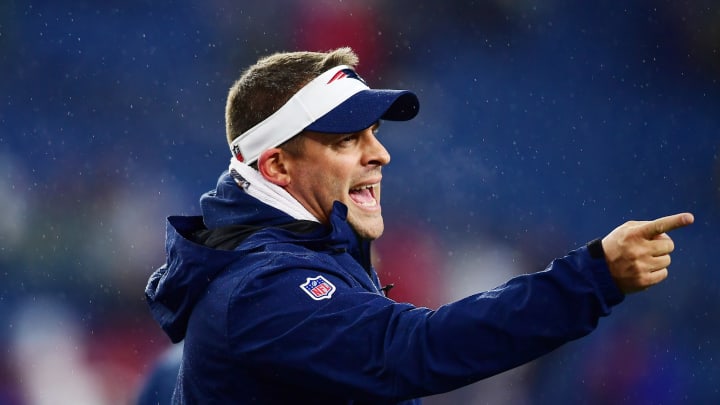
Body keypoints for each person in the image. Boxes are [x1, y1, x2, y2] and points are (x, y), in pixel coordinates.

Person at [144, 47, 694, 404]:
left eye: (373, 134)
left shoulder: (296, 255)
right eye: (345, 141)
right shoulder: (261, 288)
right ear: (277, 166)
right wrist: (592, 277)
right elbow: (414, 350)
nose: (380, 155)